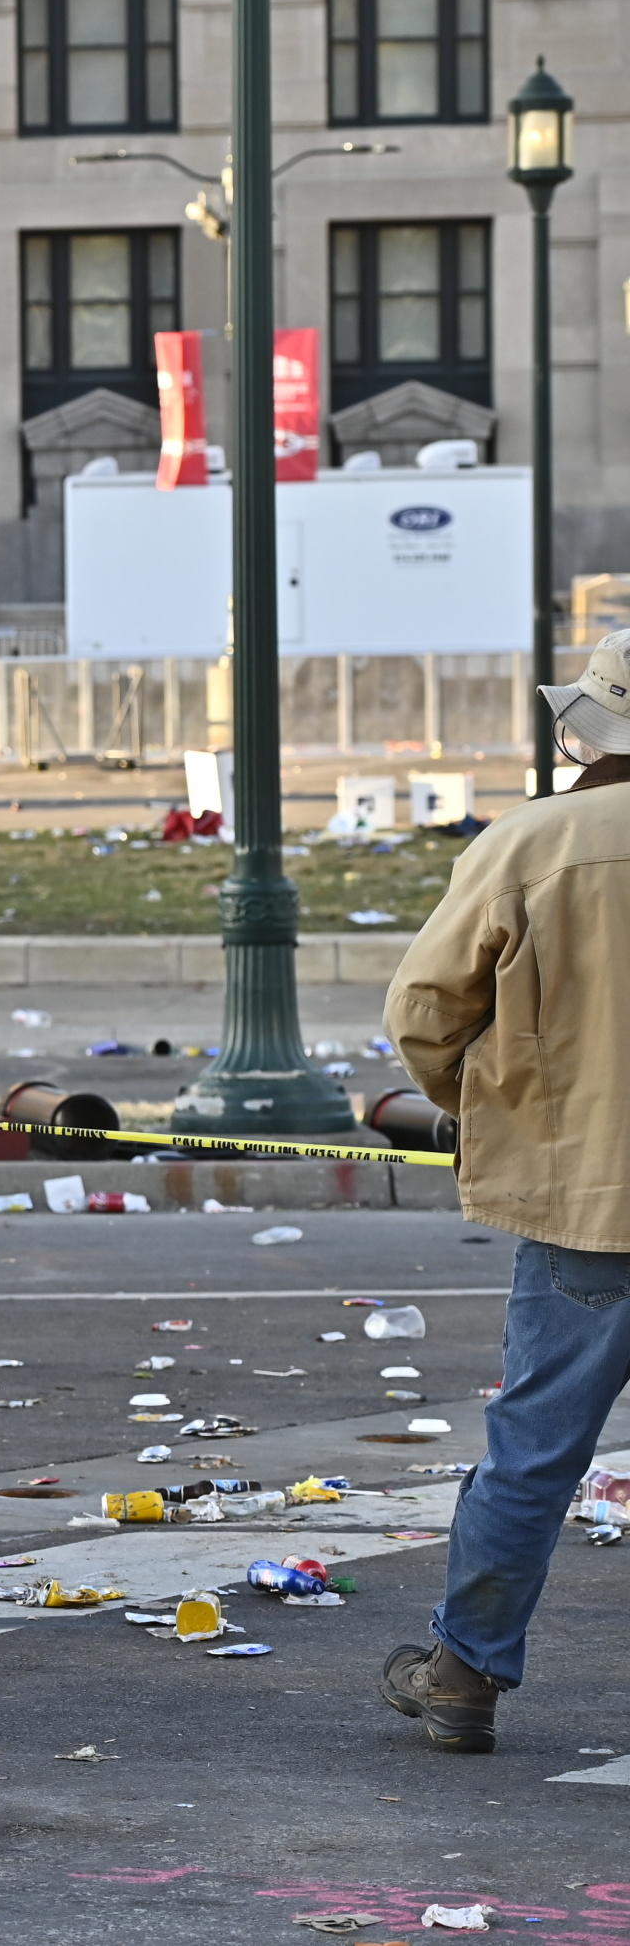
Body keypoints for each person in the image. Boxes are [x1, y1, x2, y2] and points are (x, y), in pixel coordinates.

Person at [382, 628, 630, 1753]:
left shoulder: (533, 842)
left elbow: (425, 1013)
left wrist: (489, 1105)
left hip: (584, 1200)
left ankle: (467, 1673)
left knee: (533, 1452)